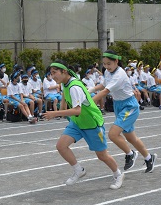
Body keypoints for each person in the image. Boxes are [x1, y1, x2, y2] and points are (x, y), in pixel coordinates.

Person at [42, 60, 124, 189]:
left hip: (91, 123)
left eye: (54, 73)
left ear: (64, 71)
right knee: (61, 146)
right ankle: (79, 170)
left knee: (102, 155)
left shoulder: (74, 86)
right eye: (51, 74)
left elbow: (77, 110)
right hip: (77, 122)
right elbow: (66, 101)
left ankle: (118, 174)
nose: (53, 76)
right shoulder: (65, 83)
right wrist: (61, 106)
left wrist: (55, 113)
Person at [91, 50, 157, 173]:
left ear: (116, 61)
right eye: (104, 64)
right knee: (131, 138)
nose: (106, 67)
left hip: (129, 106)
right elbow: (102, 85)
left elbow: (105, 91)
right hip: (118, 105)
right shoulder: (107, 72)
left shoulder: (120, 74)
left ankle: (130, 154)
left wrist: (89, 101)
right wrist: (89, 90)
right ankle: (149, 158)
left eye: (109, 64)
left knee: (113, 134)